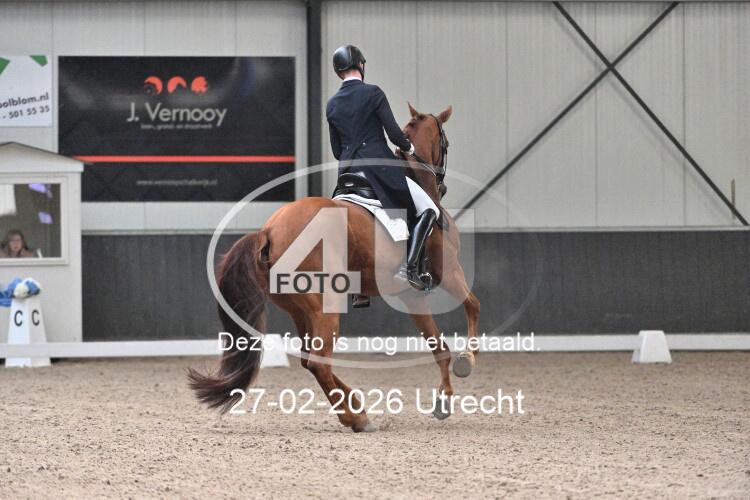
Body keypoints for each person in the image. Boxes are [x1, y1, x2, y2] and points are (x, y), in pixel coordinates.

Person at [326, 44, 438, 291]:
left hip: (347, 174)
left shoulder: (331, 104)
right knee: (429, 210)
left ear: (338, 71)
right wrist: (409, 148)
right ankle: (410, 269)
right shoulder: (373, 93)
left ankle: (358, 291)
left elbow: (336, 150)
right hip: (379, 168)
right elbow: (394, 133)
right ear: (360, 65)